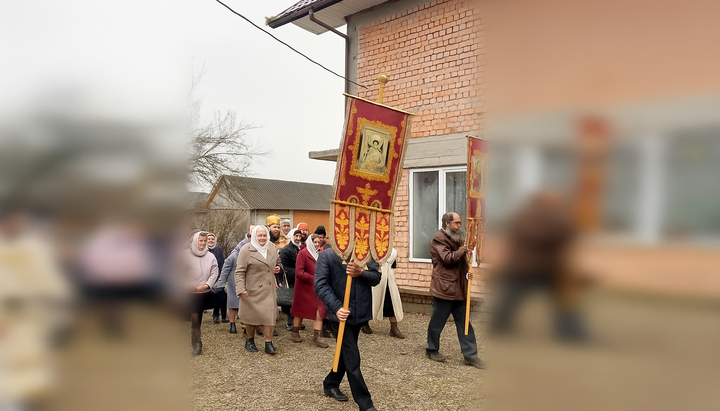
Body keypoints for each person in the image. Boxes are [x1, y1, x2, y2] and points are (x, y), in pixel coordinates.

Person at [315, 251, 381, 411]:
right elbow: (320, 284)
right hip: (340, 316)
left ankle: (331, 383)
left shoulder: (366, 253)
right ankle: (365, 404)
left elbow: (376, 278)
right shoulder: (327, 256)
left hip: (359, 314)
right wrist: (337, 307)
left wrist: (361, 273)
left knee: (345, 352)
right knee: (352, 357)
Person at [425, 212, 486, 369]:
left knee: (464, 322)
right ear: (447, 223)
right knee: (437, 322)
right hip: (444, 288)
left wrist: (467, 273)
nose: (460, 226)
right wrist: (463, 249)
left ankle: (470, 355)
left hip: (458, 288)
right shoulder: (439, 238)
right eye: (456, 223)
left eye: (460, 223)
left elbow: (459, 264)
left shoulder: (456, 238)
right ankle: (432, 350)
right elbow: (447, 258)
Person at [235, 225, 282, 355]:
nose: (262, 238)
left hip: (268, 288)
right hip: (252, 289)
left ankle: (268, 342)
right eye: (259, 235)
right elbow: (239, 272)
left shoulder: (272, 248)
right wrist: (240, 289)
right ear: (254, 236)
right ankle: (250, 340)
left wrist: (278, 268)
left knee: (269, 315)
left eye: (264, 235)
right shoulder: (246, 249)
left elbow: (278, 263)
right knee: (251, 317)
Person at [182, 231, 218, 356]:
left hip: (203, 292)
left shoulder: (210, 256)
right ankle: (196, 342)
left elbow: (214, 272)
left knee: (197, 316)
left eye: (204, 241)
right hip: (188, 292)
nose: (202, 243)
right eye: (200, 241)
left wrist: (207, 285)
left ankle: (196, 341)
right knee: (193, 315)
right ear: (194, 241)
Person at [290, 234, 329, 348]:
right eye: (314, 242)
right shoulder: (303, 254)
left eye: (318, 242)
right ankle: (295, 331)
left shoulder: (322, 254)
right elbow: (299, 272)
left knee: (319, 311)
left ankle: (317, 337)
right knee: (301, 312)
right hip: (304, 289)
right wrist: (315, 278)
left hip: (318, 288)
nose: (317, 244)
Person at [368, 247, 405, 338]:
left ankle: (394, 328)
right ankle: (364, 323)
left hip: (389, 278)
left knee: (391, 301)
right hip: (375, 277)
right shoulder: (372, 247)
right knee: (369, 300)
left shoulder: (392, 250)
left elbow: (393, 265)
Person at [213, 239, 244, 334]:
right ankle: (232, 324)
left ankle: (245, 324)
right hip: (233, 282)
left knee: (245, 304)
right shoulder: (233, 256)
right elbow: (225, 270)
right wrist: (221, 284)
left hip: (246, 282)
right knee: (232, 304)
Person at [279, 229, 303, 331]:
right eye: (296, 236)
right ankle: (290, 323)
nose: (298, 238)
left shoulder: (298, 248)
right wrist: (297, 271)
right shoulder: (286, 250)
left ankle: (294, 322)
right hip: (289, 280)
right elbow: (283, 267)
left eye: (299, 236)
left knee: (295, 302)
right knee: (290, 302)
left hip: (296, 279)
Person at [207, 233, 227, 324]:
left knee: (222, 295)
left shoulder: (219, 250)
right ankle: (215, 315)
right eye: (209, 239)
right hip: (208, 277)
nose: (211, 240)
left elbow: (222, 263)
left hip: (218, 276)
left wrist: (222, 276)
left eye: (212, 239)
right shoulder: (204, 250)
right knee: (214, 296)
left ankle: (223, 316)